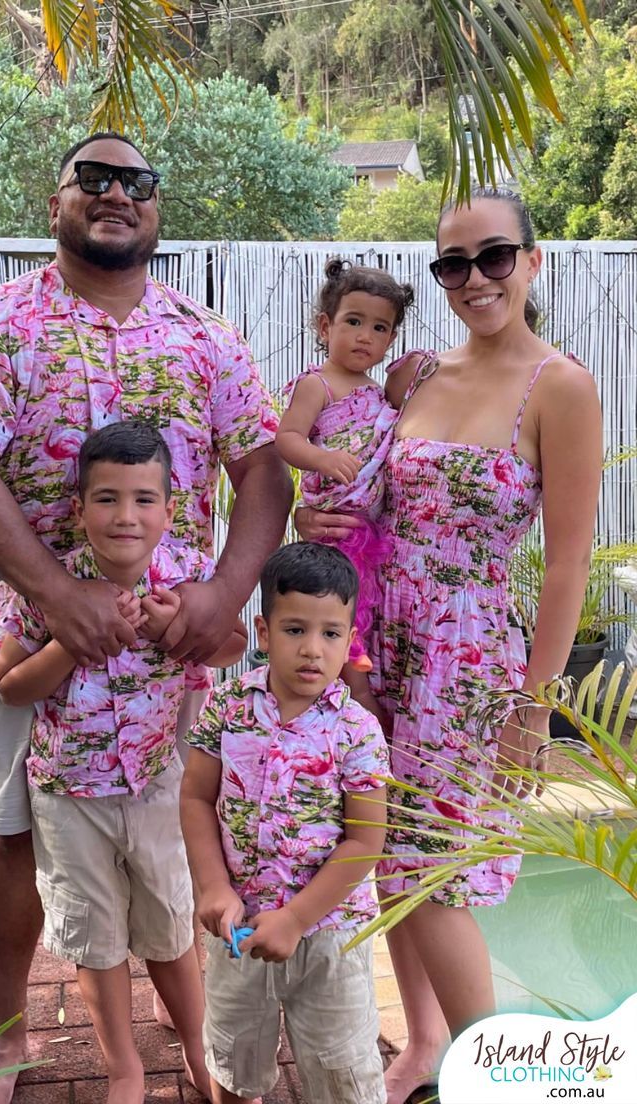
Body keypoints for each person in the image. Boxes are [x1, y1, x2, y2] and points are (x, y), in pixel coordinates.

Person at [0, 132, 292, 1104]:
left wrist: (221, 596)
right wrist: (55, 595)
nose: (116, 194)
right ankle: (0, 1041)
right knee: (10, 836)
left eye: (137, 182)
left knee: (170, 837)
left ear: (157, 209)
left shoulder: (204, 337)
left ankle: (191, 1032)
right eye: (94, 178)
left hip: (168, 657)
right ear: (56, 203)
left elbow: (260, 469)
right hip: (29, 647)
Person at [297, 188, 602, 1104]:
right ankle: (426, 1039)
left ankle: (494, 1068)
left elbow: (566, 566)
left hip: (464, 663)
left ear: (533, 260)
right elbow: (371, 493)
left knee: (431, 862)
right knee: (383, 841)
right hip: (375, 637)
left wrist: (534, 707)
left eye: (495, 256)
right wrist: (323, 515)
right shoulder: (415, 377)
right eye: (453, 265)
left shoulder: (560, 385)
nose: (475, 279)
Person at [0, 421, 247, 1102]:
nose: (125, 516)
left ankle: (199, 1051)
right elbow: (11, 685)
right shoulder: (51, 584)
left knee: (170, 926)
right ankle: (125, 1069)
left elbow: (232, 643)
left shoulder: (189, 574)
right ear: (77, 508)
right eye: (106, 498)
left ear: (171, 508)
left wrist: (179, 629)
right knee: (96, 941)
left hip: (161, 788)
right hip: (69, 796)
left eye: (143, 499)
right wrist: (72, 640)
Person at [181, 542, 390, 1104]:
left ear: (350, 640)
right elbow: (197, 799)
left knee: (342, 1072)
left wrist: (297, 918)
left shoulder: (358, 731)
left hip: (331, 937)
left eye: (331, 633)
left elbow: (366, 840)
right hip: (240, 928)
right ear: (264, 632)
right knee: (234, 1062)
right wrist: (212, 886)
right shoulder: (226, 709)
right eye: (295, 629)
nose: (313, 650)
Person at [276, 258, 412, 731]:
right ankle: (358, 691)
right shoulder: (319, 385)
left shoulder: (381, 395)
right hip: (334, 526)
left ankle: (360, 693)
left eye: (380, 328)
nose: (365, 336)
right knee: (336, 610)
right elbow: (287, 438)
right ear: (325, 325)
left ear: (390, 340)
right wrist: (320, 459)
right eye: (353, 322)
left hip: (373, 530)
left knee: (364, 610)